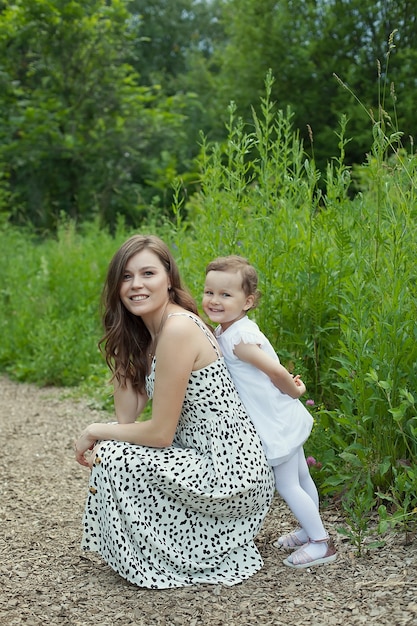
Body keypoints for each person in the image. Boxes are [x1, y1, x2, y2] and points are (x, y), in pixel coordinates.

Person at [74, 235, 275, 588]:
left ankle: (175, 553)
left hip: (229, 472)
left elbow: (159, 434)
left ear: (168, 277)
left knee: (111, 452)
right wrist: (125, 345)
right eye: (126, 277)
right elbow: (128, 419)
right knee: (114, 452)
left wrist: (94, 429)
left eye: (147, 273)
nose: (136, 284)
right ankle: (159, 549)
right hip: (201, 459)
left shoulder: (178, 329)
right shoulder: (153, 332)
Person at [202, 255, 337, 569]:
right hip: (278, 414)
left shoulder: (238, 340)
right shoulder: (230, 330)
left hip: (275, 420)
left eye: (226, 295)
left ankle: (320, 542)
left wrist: (296, 390)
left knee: (288, 483)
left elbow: (276, 372)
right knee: (302, 477)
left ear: (248, 301)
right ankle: (309, 529)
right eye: (209, 292)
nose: (214, 300)